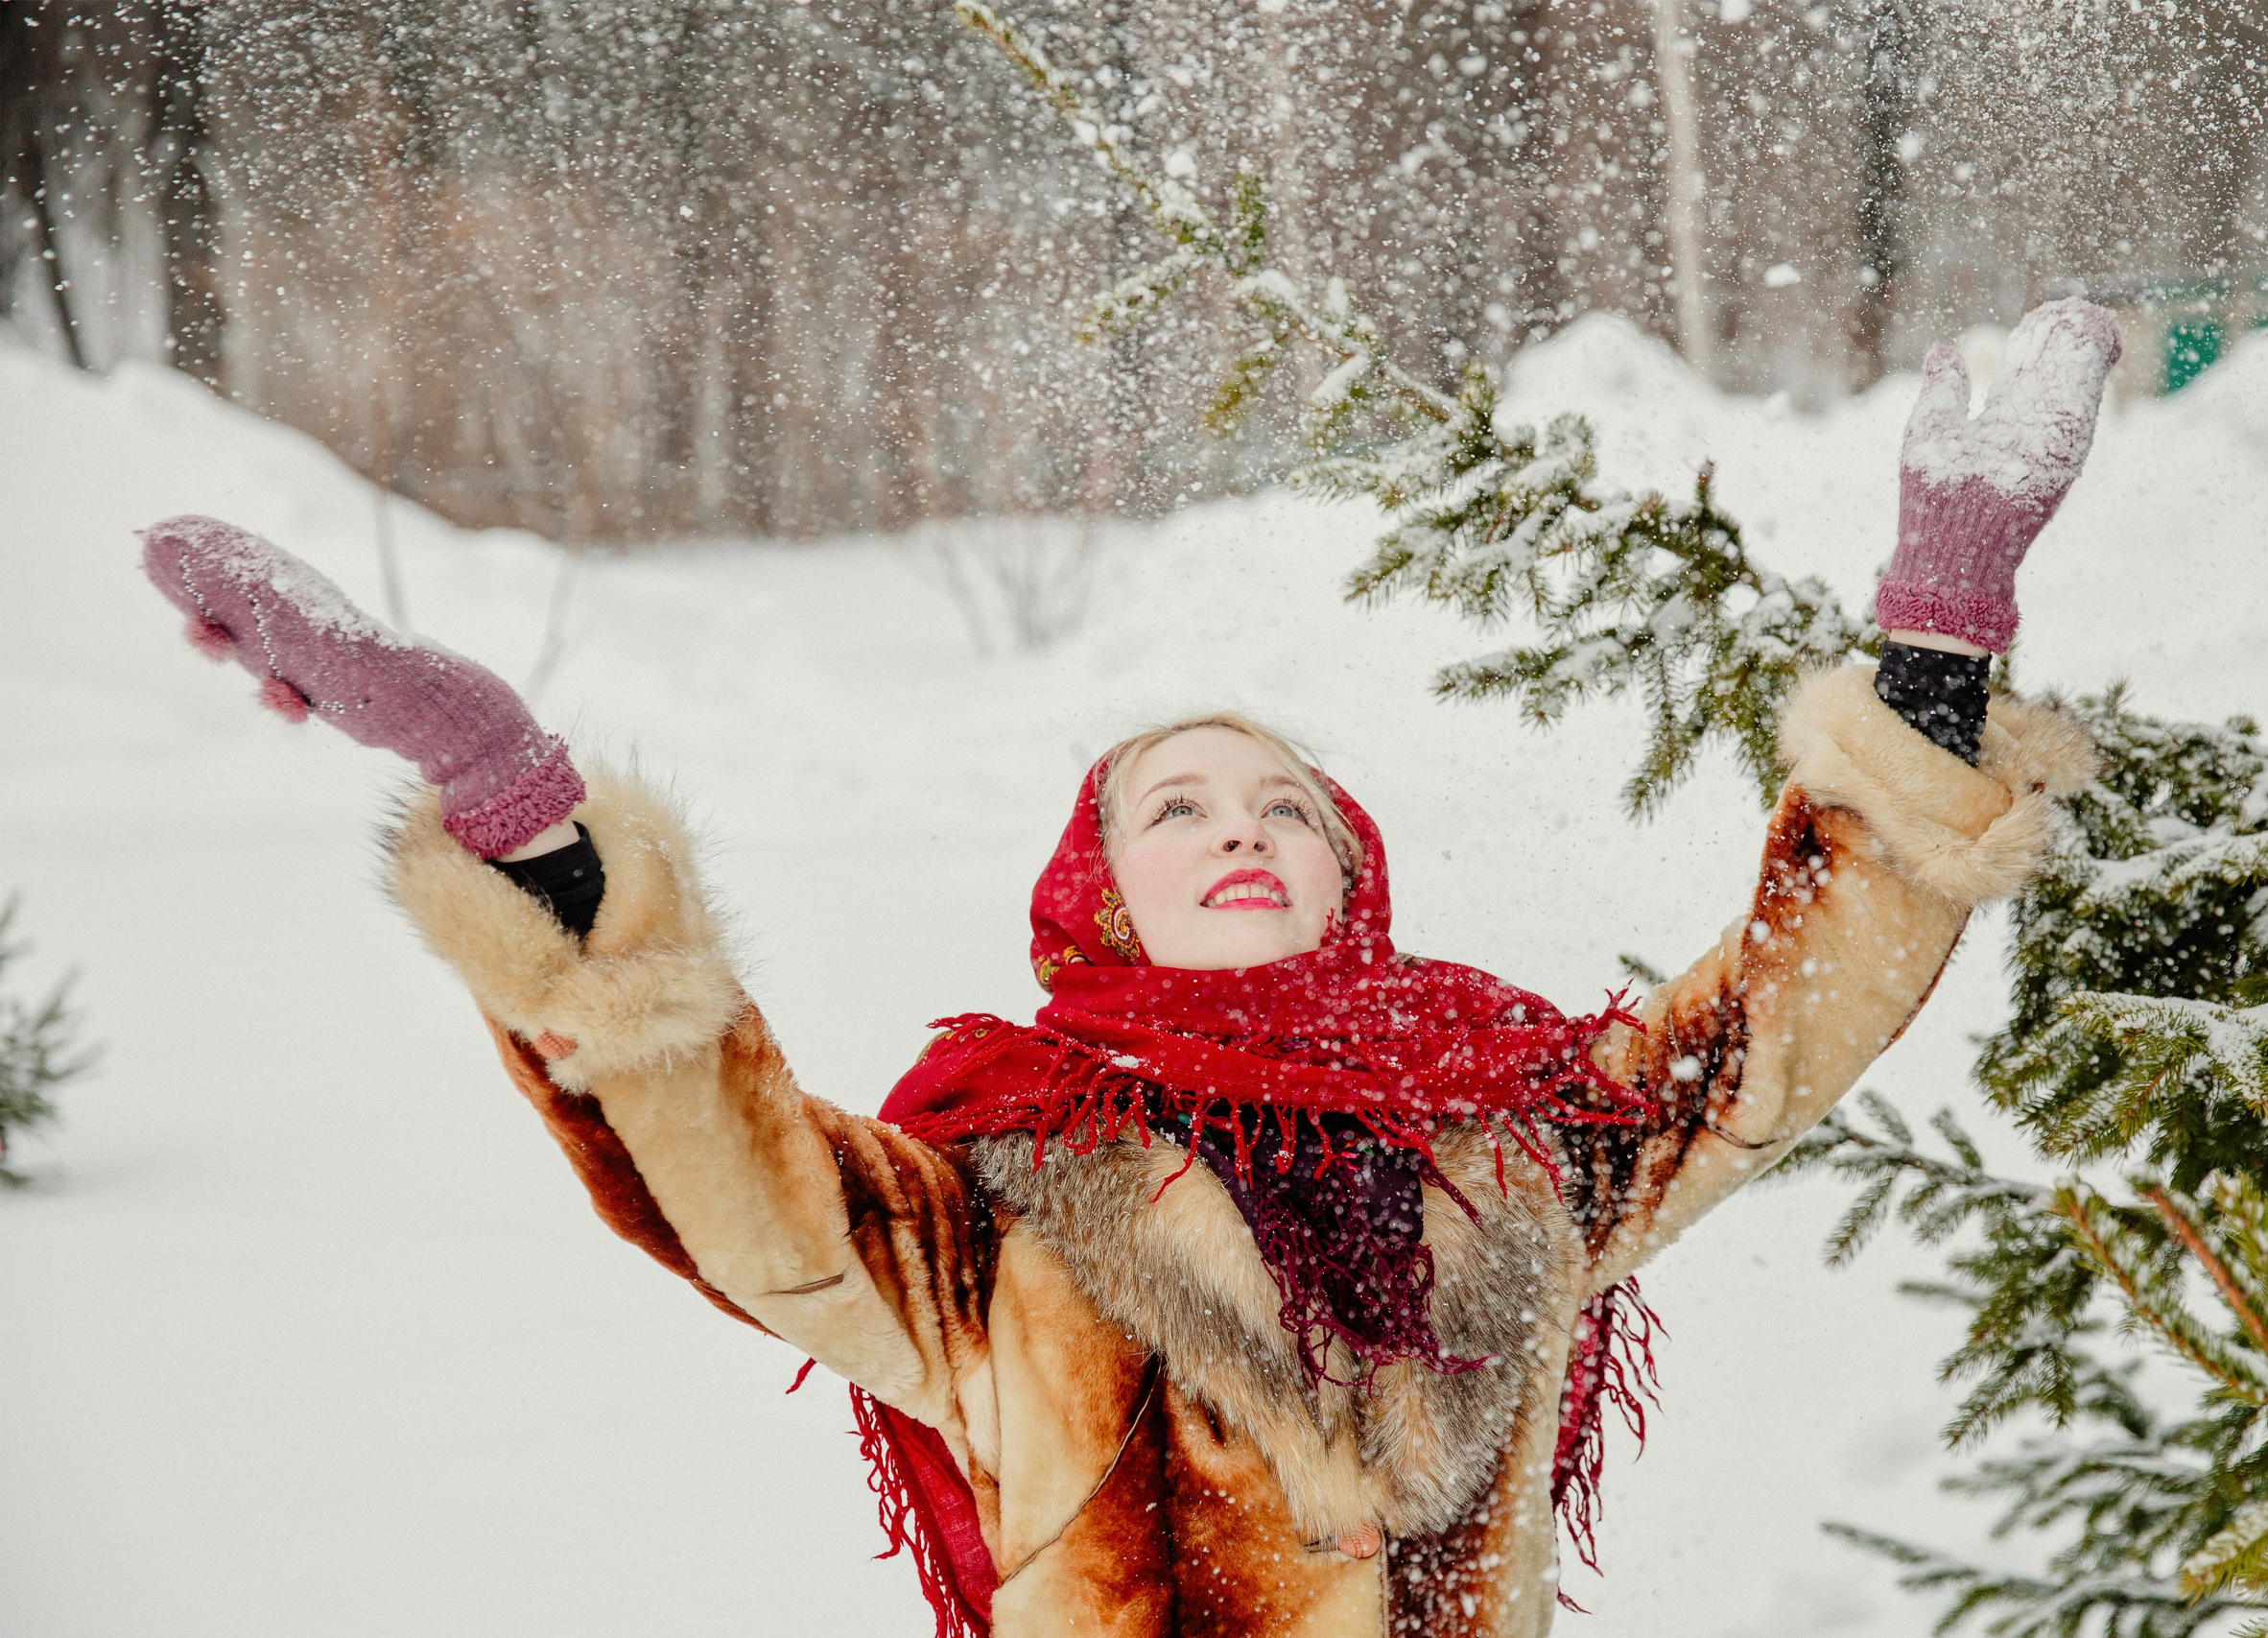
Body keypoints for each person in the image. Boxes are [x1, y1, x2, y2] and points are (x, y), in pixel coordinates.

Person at [137, 299, 2116, 1637]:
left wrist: (1938, 626)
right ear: (1097, 896)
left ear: (1350, 876)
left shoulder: (1517, 1140)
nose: (1241, 830)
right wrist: (514, 799)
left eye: (1285, 808)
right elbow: (732, 1179)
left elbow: (1770, 1029)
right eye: (1177, 807)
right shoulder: (1000, 1187)